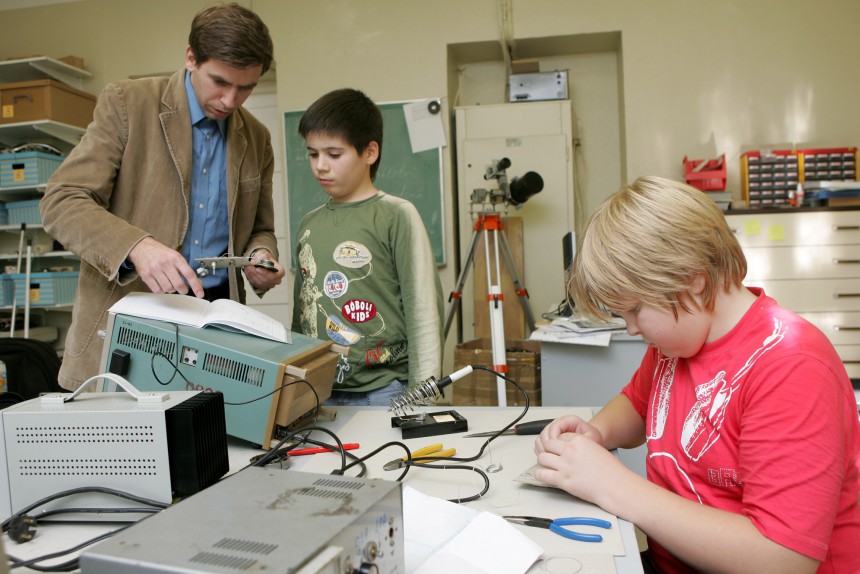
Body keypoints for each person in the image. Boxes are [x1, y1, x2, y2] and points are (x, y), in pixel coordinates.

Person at [534, 176, 859, 573]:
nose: (631, 329)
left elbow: (782, 560)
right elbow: (637, 405)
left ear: (693, 279)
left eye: (635, 310)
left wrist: (613, 485)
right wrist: (597, 432)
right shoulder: (677, 345)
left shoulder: (791, 366)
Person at [40, 3, 285, 391]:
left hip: (215, 327)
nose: (230, 100)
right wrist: (138, 247)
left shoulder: (257, 136)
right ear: (191, 57)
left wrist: (260, 254)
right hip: (127, 318)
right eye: (220, 82)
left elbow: (260, 227)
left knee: (210, 430)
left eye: (246, 88)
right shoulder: (127, 102)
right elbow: (62, 200)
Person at [291, 88, 443, 406]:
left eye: (334, 155)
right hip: (321, 391)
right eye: (313, 154)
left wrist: (421, 401)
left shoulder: (397, 215)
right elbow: (301, 315)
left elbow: (423, 312)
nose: (320, 166)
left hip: (386, 390)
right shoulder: (308, 223)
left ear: (370, 152)